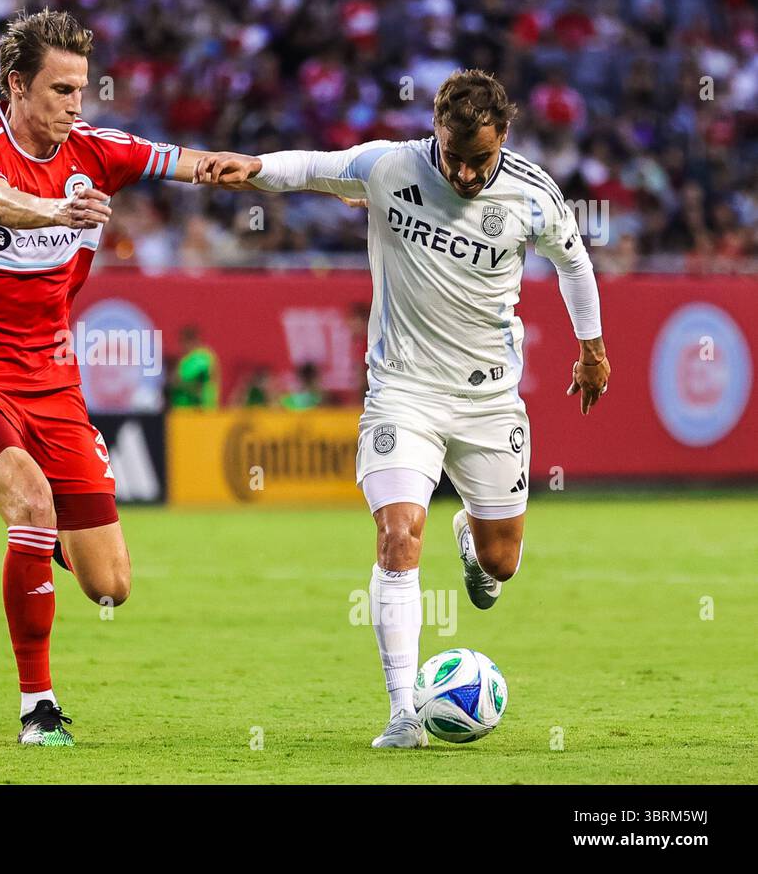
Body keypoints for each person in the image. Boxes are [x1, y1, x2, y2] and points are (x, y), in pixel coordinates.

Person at [194, 69, 611, 748]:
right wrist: (251, 169)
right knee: (398, 535)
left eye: (480, 160)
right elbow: (310, 167)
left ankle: (474, 552)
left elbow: (574, 264)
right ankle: (402, 713)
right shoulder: (392, 167)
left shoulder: (535, 194)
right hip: (402, 394)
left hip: (488, 399)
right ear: (435, 135)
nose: (467, 175)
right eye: (454, 158)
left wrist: (592, 350)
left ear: (503, 135)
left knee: (503, 562)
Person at [0, 8, 225, 746]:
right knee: (30, 497)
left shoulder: (97, 149)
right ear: (16, 86)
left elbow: (185, 163)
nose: (75, 104)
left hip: (51, 378)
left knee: (109, 586)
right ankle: (37, 709)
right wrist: (56, 206)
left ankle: (37, 535)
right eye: (59, 89)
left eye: (81, 88)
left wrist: (273, 174)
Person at [170, 325, 220, 408]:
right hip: (183, 412)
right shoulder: (186, 359)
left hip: (199, 413)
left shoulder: (202, 358)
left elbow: (198, 384)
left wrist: (174, 383)